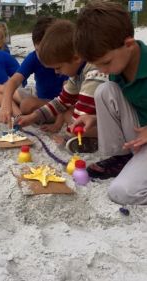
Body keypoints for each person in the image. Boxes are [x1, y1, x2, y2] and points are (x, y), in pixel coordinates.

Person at [71, 1, 147, 205]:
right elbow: (128, 108)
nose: (103, 70)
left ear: (129, 44)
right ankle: (120, 158)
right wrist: (93, 119)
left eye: (105, 62)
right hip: (139, 138)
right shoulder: (118, 69)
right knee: (105, 90)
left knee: (122, 193)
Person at [16, 19, 108, 151]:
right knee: (68, 116)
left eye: (58, 67)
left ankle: (93, 140)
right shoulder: (77, 73)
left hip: (116, 124)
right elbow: (61, 102)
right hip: (100, 117)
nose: (56, 72)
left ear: (76, 58)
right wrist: (32, 117)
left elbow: (82, 113)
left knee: (74, 121)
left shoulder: (93, 70)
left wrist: (68, 135)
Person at [0, 17, 68, 128]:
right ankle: (18, 116)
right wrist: (5, 105)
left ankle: (22, 116)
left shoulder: (65, 63)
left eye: (47, 52)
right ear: (35, 46)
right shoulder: (34, 58)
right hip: (41, 98)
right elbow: (13, 81)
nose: (44, 57)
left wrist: (58, 125)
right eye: (39, 51)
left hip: (60, 105)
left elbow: (67, 99)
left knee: (26, 104)